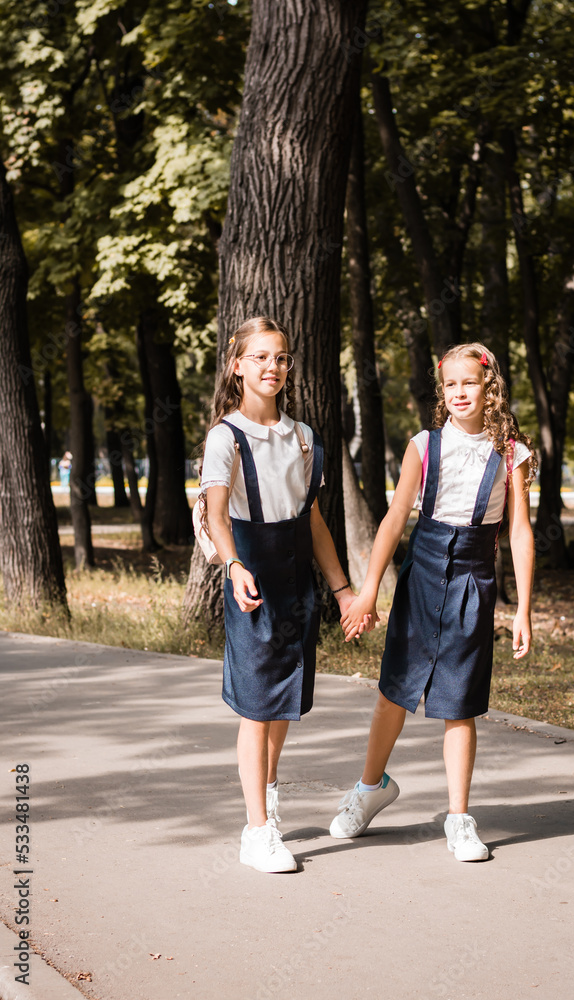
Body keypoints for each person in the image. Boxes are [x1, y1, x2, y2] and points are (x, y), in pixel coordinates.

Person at [331, 343, 536, 861]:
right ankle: (370, 788)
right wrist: (370, 589)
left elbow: (519, 533)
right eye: (451, 385)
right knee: (394, 691)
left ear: (491, 389)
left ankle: (460, 818)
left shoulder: (512, 453)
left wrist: (525, 610)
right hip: (421, 577)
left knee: (459, 702)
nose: (460, 392)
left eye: (470, 382)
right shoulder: (424, 446)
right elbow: (396, 518)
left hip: (472, 580)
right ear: (442, 392)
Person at [199, 316, 366, 874]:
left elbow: (312, 520)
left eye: (282, 357)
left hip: (297, 578)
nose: (273, 367)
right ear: (238, 364)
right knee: (255, 704)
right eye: (262, 357)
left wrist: (343, 590)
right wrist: (234, 565)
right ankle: (256, 832)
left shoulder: (302, 437)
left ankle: (266, 794)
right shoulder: (225, 436)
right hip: (252, 573)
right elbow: (218, 516)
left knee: (283, 701)